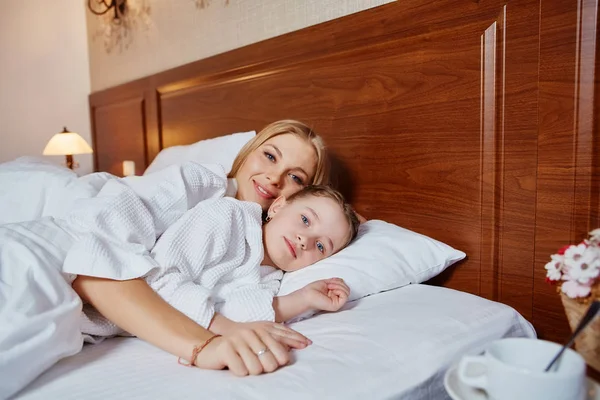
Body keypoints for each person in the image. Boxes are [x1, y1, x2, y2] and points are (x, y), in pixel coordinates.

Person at [0, 120, 335, 397]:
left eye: (295, 177)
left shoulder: (257, 251)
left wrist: (302, 296)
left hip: (75, 315)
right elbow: (94, 263)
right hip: (39, 260)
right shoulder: (197, 183)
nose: (275, 178)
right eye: (270, 156)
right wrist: (207, 344)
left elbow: (233, 304)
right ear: (248, 154)